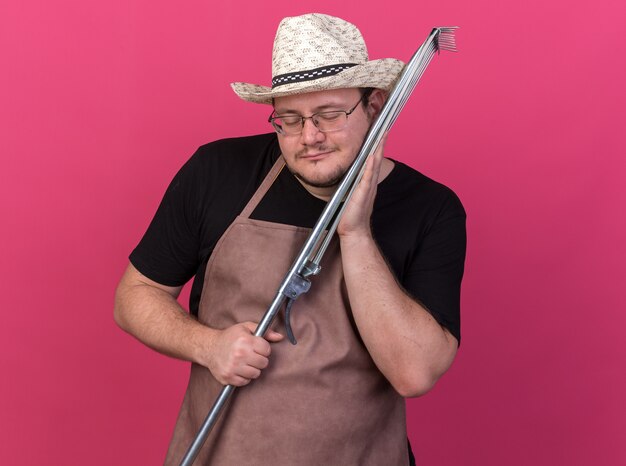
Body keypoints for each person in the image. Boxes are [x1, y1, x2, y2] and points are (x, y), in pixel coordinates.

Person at [114, 13, 466, 466]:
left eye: (329, 114)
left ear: (375, 107)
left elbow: (414, 373)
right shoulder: (218, 172)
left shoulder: (431, 208)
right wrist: (208, 346)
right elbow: (134, 296)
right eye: (289, 119)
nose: (309, 137)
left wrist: (355, 233)